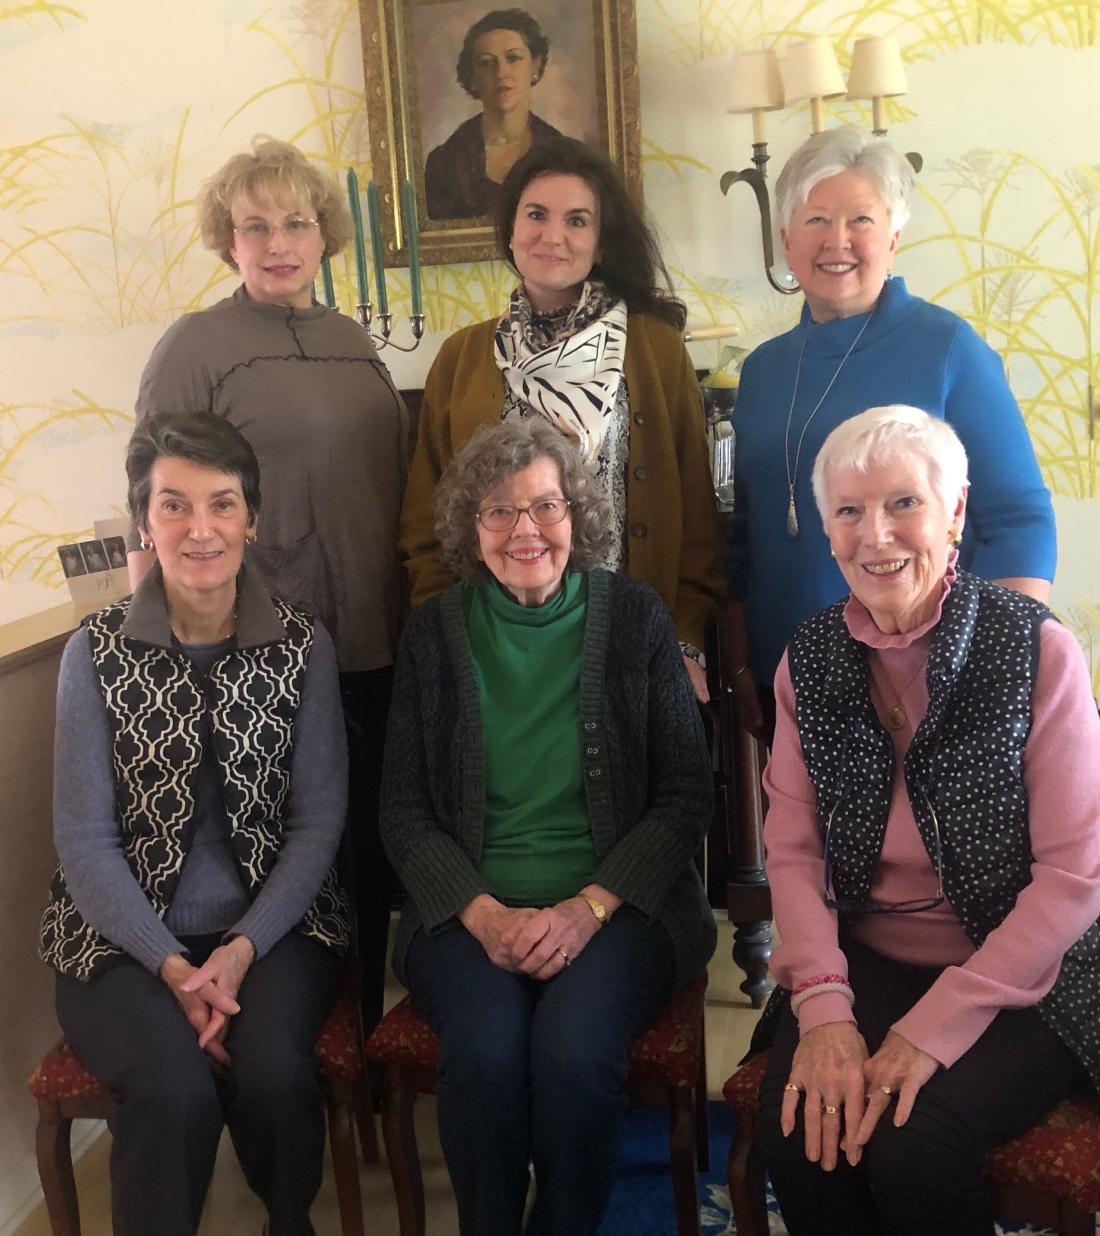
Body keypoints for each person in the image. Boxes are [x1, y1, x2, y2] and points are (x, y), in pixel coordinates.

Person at [754, 406, 1100, 1236]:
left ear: (956, 511)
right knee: (801, 1124)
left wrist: (929, 1033)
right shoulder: (809, 660)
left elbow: (1073, 882)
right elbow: (791, 851)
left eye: (904, 504)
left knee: (912, 1137)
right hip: (875, 950)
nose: (876, 535)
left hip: (1035, 973)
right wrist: (823, 1013)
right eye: (850, 511)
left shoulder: (1034, 650)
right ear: (826, 532)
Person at [381, 419, 717, 1236]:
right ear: (471, 529)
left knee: (573, 1058)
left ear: (580, 516)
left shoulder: (635, 617)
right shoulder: (434, 634)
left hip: (620, 910)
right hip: (469, 915)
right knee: (487, 1057)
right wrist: (484, 914)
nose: (525, 531)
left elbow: (684, 795)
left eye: (545, 507)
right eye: (499, 512)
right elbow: (403, 810)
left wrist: (587, 908)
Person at [41, 412, 350, 1236]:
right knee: (172, 1088)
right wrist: (177, 970)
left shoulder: (299, 647)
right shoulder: (94, 652)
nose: (200, 528)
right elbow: (84, 840)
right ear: (145, 519)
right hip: (118, 942)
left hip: (275, 931)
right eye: (173, 505)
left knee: (278, 1075)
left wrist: (238, 955)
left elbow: (317, 824)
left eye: (221, 503)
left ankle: (291, 1222)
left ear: (252, 516)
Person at [130, 137, 408, 1036]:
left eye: (296, 222)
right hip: (262, 652)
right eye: (257, 226)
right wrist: (158, 642)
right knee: (289, 852)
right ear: (229, 240)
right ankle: (277, 1049)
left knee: (371, 846)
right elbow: (153, 496)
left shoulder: (350, 338)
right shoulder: (197, 348)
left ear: (324, 234)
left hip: (376, 639)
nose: (279, 241)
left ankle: (358, 1042)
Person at [723, 125, 1057, 743]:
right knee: (800, 841)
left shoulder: (948, 348)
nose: (838, 241)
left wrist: (991, 666)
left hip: (924, 680)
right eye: (817, 219)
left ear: (895, 238)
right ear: (785, 238)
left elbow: (1020, 520)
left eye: (861, 221)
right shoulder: (763, 369)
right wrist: (740, 659)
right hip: (791, 678)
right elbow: (745, 535)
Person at [402, 135, 724, 701]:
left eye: (577, 220)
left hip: (634, 649)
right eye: (536, 215)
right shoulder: (461, 357)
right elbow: (425, 522)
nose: (553, 235)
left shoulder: (655, 349)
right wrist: (448, 637)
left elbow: (696, 517)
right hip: (497, 651)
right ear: (510, 229)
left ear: (600, 243)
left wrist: (685, 642)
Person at [424, 7, 562, 219]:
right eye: (487, 62)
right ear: (472, 77)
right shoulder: (445, 163)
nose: (501, 73)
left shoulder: (561, 155)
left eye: (513, 58)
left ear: (535, 65)